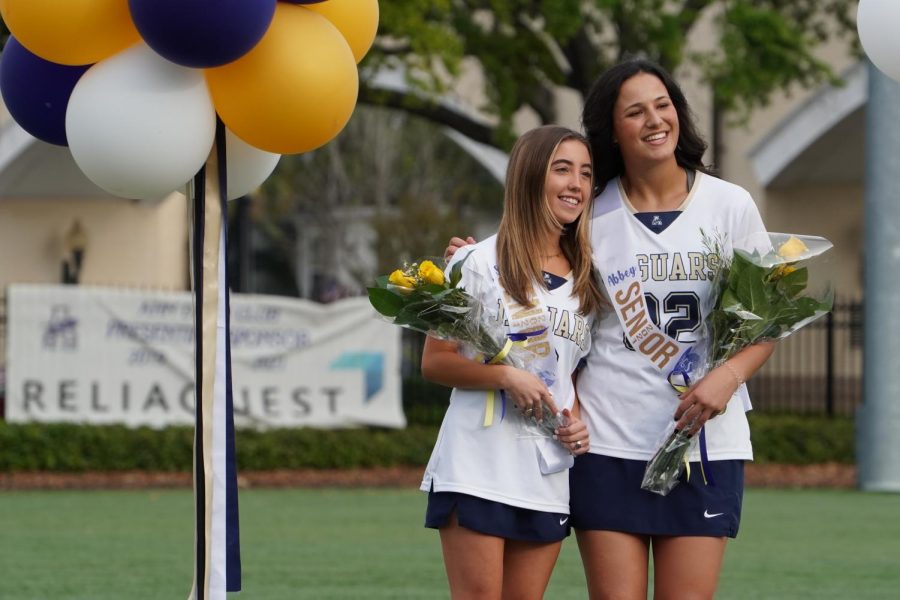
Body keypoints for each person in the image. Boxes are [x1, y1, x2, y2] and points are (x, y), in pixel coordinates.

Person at [446, 58, 776, 600]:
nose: (654, 120)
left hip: (703, 444)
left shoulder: (729, 204)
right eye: (635, 112)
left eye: (663, 105)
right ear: (612, 130)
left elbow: (768, 318)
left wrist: (730, 376)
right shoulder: (589, 212)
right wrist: (468, 257)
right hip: (606, 443)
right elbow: (527, 265)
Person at [420, 125, 605, 600]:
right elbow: (436, 363)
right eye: (561, 169)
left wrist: (576, 421)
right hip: (478, 461)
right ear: (528, 176)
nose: (576, 185)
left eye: (585, 173)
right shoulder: (476, 263)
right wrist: (504, 375)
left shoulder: (588, 280)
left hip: (545, 468)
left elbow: (570, 376)